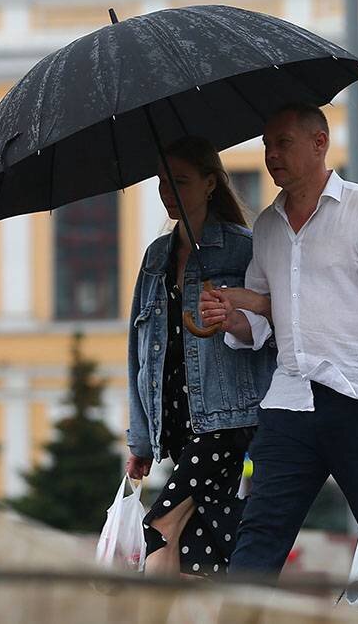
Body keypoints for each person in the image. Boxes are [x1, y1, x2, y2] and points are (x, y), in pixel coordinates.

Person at [198, 103, 358, 577]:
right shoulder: (266, 226)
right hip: (290, 401)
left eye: (282, 143)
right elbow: (263, 320)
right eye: (266, 146)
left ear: (319, 142)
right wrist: (231, 318)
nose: (271, 156)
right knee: (258, 533)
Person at [125, 135, 276, 578]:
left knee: (160, 527)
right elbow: (138, 350)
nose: (168, 192)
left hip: (229, 419)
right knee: (203, 551)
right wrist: (141, 436)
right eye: (162, 183)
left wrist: (234, 314)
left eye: (181, 182)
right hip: (177, 421)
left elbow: (276, 329)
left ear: (211, 183)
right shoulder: (156, 257)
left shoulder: (243, 249)